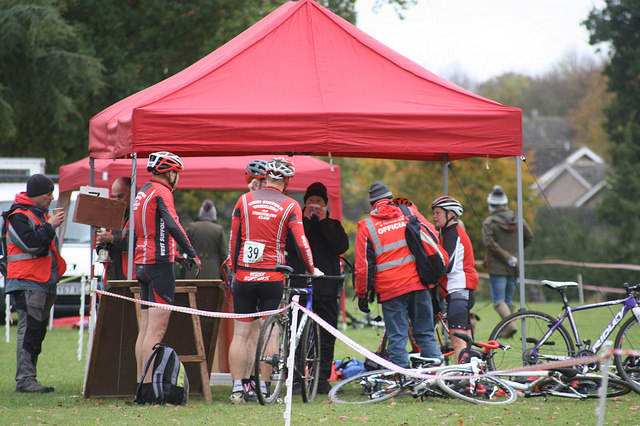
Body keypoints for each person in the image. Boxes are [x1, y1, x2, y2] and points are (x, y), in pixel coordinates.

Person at [227, 157, 321, 404]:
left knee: (241, 333)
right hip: (273, 275)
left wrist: (234, 269)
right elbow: (302, 243)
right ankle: (265, 388)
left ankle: (238, 389)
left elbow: (233, 240)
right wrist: (312, 268)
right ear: (286, 181)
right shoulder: (290, 205)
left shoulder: (244, 200)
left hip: (245, 274)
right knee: (271, 331)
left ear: (265, 177)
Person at [132, 151, 201, 403]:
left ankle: (141, 385)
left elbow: (148, 227)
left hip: (143, 263)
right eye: (177, 174)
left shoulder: (143, 191)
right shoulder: (163, 192)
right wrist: (191, 252)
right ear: (170, 172)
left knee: (145, 330)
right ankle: (149, 390)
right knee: (156, 331)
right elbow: (172, 224)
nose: (177, 179)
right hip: (159, 266)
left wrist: (178, 255)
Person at [354, 181, 446, 367]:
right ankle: (436, 377)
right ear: (390, 199)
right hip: (418, 284)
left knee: (397, 336)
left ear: (373, 204)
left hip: (390, 290)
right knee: (426, 332)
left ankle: (401, 379)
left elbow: (363, 267)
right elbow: (432, 236)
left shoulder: (366, 226)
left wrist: (363, 295)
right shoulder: (410, 213)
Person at [3, 174, 66, 393]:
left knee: (36, 331)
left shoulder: (39, 215)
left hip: (42, 280)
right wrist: (50, 226)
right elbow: (31, 244)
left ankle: (29, 378)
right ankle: (25, 380)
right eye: (48, 193)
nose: (52, 197)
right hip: (27, 280)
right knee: (29, 330)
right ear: (38, 194)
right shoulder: (18, 215)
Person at [286, 182, 349, 394]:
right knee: (295, 334)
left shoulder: (333, 225)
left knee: (326, 336)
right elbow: (290, 244)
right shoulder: (296, 224)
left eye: (319, 202)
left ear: (326, 206)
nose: (315, 205)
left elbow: (340, 246)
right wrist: (304, 220)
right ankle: (295, 377)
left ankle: (321, 378)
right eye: (311, 202)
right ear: (303, 205)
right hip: (300, 287)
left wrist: (322, 222)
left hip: (327, 288)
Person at [481, 185, 533, 337]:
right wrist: (516, 254)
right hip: (515, 265)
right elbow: (529, 237)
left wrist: (505, 257)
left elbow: (489, 243)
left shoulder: (489, 222)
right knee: (508, 298)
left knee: (499, 300)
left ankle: (509, 326)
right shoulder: (518, 218)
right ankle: (507, 328)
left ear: (491, 204)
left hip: (497, 266)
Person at [431, 196, 479, 363]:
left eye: (438, 213)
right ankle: (476, 376)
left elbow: (447, 264)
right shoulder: (449, 232)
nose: (434, 216)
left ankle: (463, 380)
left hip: (458, 290)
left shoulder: (453, 233)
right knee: (467, 341)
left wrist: (429, 273)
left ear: (450, 214)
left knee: (457, 341)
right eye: (434, 213)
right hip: (459, 291)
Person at [95, 177, 133, 282]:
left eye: (120, 196)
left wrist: (111, 239)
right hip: (112, 276)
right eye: (114, 197)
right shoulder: (112, 216)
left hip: (131, 279)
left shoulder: (139, 215)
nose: (116, 201)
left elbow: (136, 244)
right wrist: (102, 248)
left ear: (133, 193)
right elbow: (102, 245)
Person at [184, 200, 227, 280]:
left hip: (193, 272)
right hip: (213, 274)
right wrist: (226, 275)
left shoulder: (191, 228)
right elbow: (224, 255)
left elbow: (181, 248)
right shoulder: (218, 230)